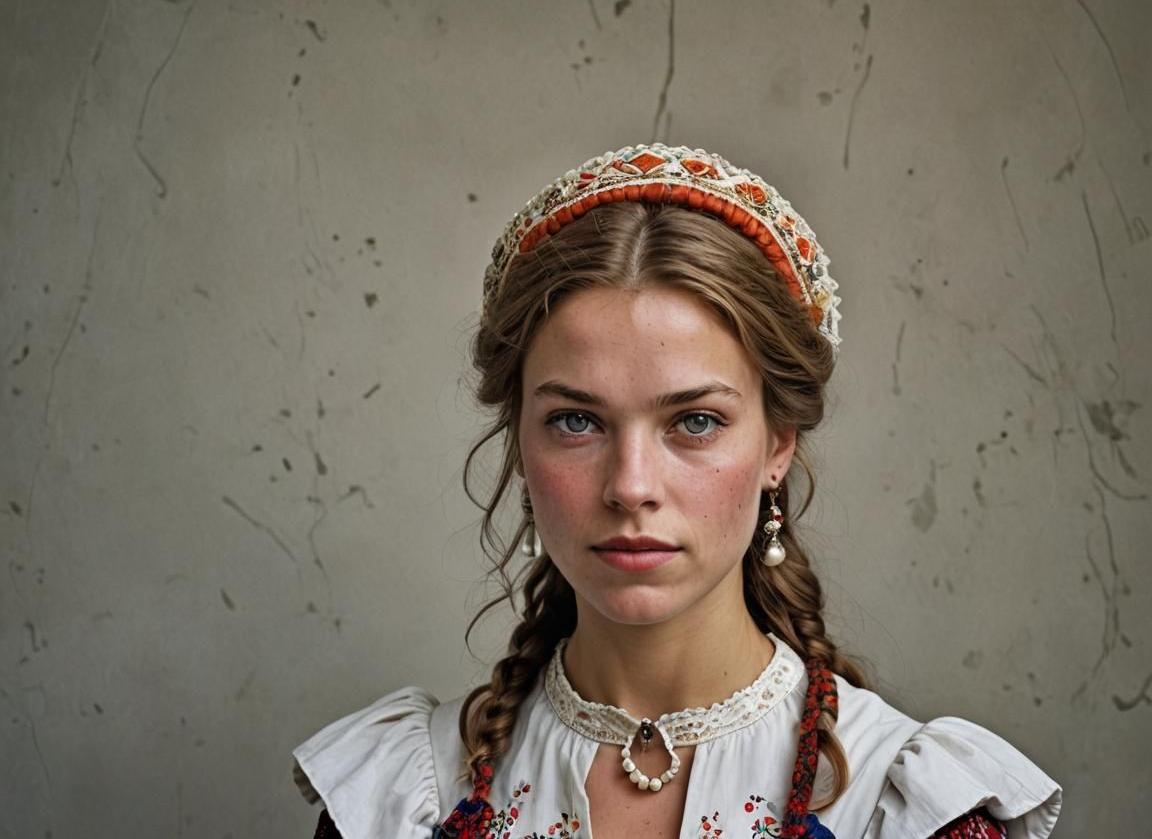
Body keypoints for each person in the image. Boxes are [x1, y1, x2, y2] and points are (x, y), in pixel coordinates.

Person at [292, 144, 1061, 839]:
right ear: (519, 444)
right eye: (574, 421)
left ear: (779, 442)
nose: (631, 486)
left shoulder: (904, 812)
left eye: (694, 420)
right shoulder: (404, 801)